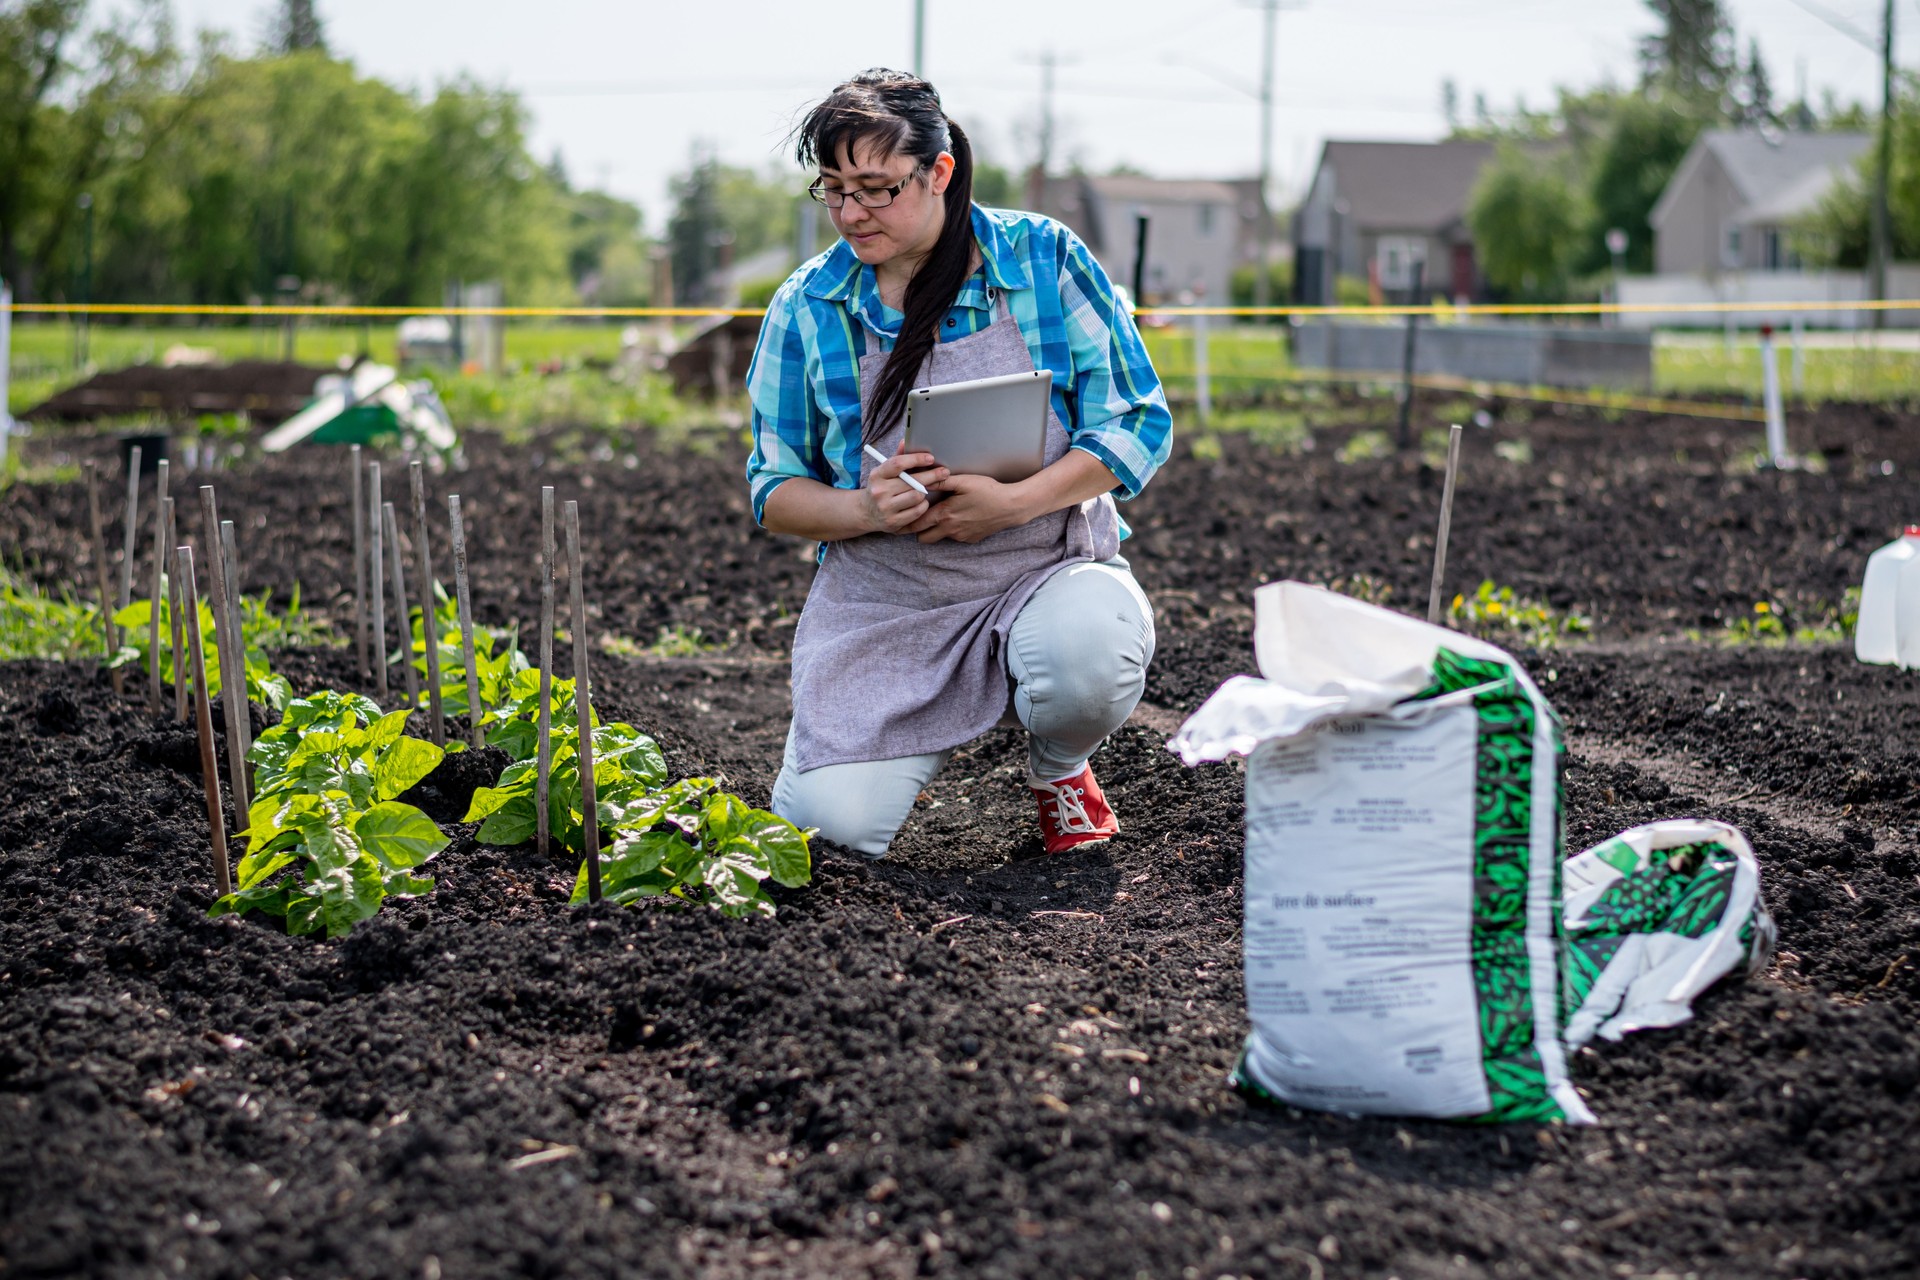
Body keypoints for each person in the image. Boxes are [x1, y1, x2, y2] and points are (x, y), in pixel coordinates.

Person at [745, 68, 1172, 860]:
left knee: (1086, 663)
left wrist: (1015, 504)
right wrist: (864, 511)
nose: (850, 213)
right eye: (832, 189)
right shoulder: (808, 306)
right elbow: (773, 489)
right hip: (889, 599)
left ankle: (1060, 769)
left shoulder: (1040, 259)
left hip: (1042, 566)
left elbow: (1136, 421)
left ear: (939, 172)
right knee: (823, 835)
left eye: (876, 189)